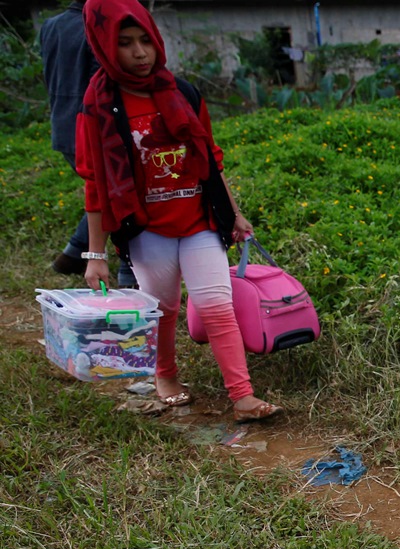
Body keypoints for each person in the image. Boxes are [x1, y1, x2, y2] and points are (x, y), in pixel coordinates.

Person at [75, 0, 282, 422]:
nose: (140, 53)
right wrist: (95, 255)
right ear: (105, 46)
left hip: (199, 221)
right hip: (147, 228)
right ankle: (166, 376)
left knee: (216, 304)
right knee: (164, 308)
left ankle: (242, 396)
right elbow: (95, 183)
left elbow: (210, 159)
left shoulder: (182, 92)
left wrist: (234, 213)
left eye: (145, 41)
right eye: (125, 43)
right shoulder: (99, 106)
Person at [40, 0, 137, 288]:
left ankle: (73, 252)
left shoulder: (51, 25)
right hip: (95, 127)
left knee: (108, 191)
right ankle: (128, 272)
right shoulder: (97, 25)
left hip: (62, 124)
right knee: (122, 192)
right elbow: (105, 81)